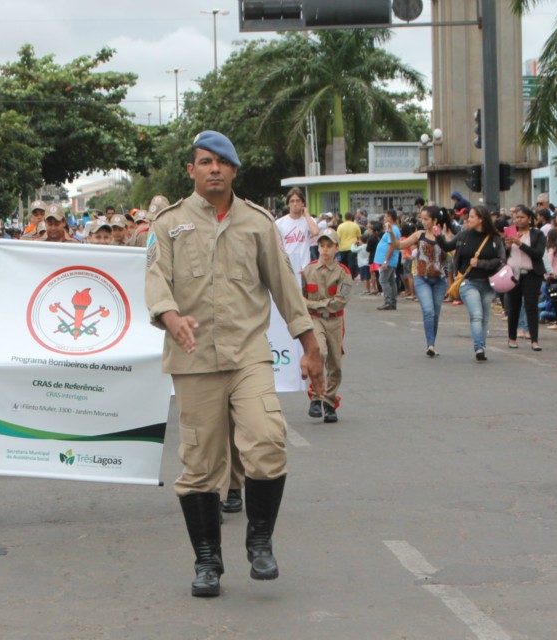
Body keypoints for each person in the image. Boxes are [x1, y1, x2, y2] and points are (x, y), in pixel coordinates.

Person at [145, 130, 324, 598]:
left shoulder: (259, 223)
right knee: (200, 466)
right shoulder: (168, 224)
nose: (214, 169)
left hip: (248, 356)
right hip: (194, 360)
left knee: (267, 441)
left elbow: (285, 287)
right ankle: (208, 561)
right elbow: (155, 279)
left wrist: (310, 346)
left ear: (234, 170)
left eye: (222, 162)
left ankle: (259, 539)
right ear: (192, 170)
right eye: (205, 162)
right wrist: (169, 316)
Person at [437, 206, 506, 361]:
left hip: (488, 283)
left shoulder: (494, 238)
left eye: (472, 216)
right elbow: (448, 246)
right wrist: (438, 236)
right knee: (476, 315)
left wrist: (480, 263)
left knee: (485, 317)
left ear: (481, 219)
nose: (468, 219)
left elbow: (501, 260)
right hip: (468, 282)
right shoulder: (464, 235)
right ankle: (479, 348)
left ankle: (481, 345)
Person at [302, 228, 351, 423]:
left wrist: (312, 304)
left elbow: (340, 301)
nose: (324, 250)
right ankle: (315, 397)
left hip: (335, 320)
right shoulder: (308, 270)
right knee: (319, 352)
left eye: (329, 246)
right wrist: (308, 307)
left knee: (335, 364)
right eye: (322, 246)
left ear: (337, 249)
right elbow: (301, 297)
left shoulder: (343, 273)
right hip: (315, 320)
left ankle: (330, 403)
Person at [390, 206, 450, 356]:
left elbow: (453, 250)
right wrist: (391, 233)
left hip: (440, 280)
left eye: (426, 219)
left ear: (435, 220)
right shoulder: (419, 235)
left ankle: (432, 343)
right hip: (421, 278)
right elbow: (399, 245)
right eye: (421, 219)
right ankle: (430, 345)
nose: (423, 222)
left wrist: (441, 238)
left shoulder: (444, 235)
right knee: (428, 311)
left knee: (435, 313)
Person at [503, 205, 546, 351]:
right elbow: (503, 254)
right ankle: (512, 338)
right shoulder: (509, 232)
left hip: (531, 274)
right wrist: (507, 246)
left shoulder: (537, 234)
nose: (519, 220)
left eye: (522, 217)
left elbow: (538, 254)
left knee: (531, 306)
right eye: (516, 218)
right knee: (513, 307)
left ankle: (534, 340)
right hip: (512, 274)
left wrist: (520, 244)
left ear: (529, 219)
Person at [275, 187, 319, 274]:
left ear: (303, 203)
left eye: (298, 201)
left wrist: (306, 214)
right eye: (292, 201)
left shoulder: (308, 220)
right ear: (288, 204)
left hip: (304, 269)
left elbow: (315, 232)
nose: (295, 204)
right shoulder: (279, 223)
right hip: (287, 269)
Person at [374, 210, 401, 310]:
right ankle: (392, 302)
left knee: (383, 279)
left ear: (390, 217)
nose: (384, 219)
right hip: (390, 259)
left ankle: (388, 301)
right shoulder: (393, 229)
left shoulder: (392, 230)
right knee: (391, 280)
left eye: (385, 217)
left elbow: (391, 245)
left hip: (389, 260)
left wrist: (386, 261)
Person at [336, 211, 363, 278]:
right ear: (352, 217)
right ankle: (351, 276)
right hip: (353, 247)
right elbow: (359, 237)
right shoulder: (355, 225)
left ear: (345, 218)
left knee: (343, 263)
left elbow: (337, 238)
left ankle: (343, 275)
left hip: (342, 247)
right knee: (351, 262)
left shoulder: (340, 226)